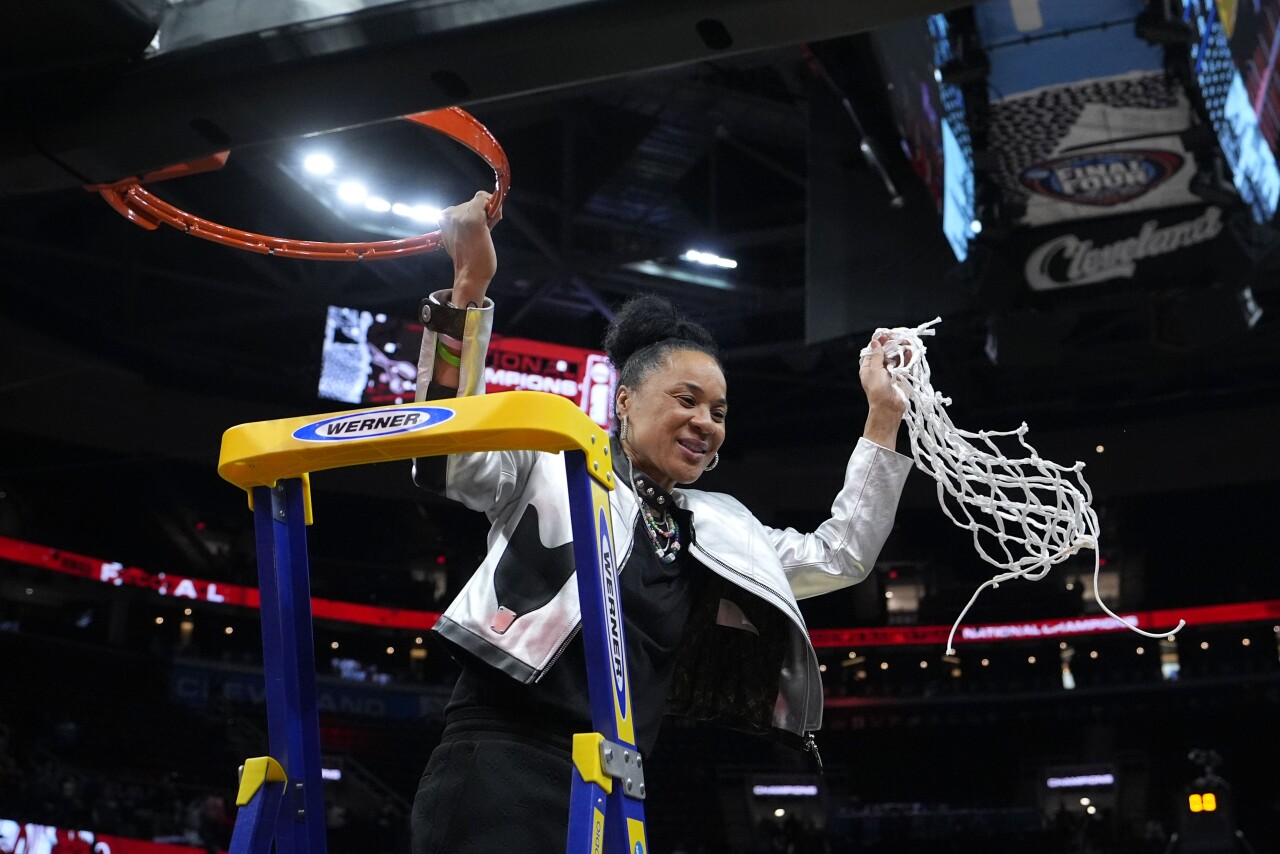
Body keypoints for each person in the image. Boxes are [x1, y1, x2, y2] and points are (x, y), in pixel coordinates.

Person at [408, 191, 913, 854]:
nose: (707, 422)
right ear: (624, 401)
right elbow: (444, 454)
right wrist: (467, 294)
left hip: (620, 781)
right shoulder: (554, 461)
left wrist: (883, 415)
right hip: (504, 759)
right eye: (687, 399)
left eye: (720, 412)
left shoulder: (717, 526)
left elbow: (842, 553)